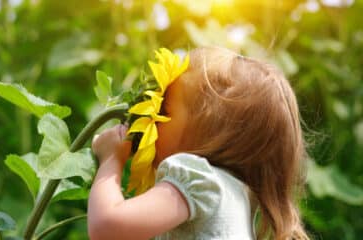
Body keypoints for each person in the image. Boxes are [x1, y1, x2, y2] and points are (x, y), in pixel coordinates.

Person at [87, 47, 311, 240]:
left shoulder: (196, 176)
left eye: (164, 110)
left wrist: (111, 161)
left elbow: (107, 228)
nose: (152, 120)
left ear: (208, 129)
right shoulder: (239, 198)